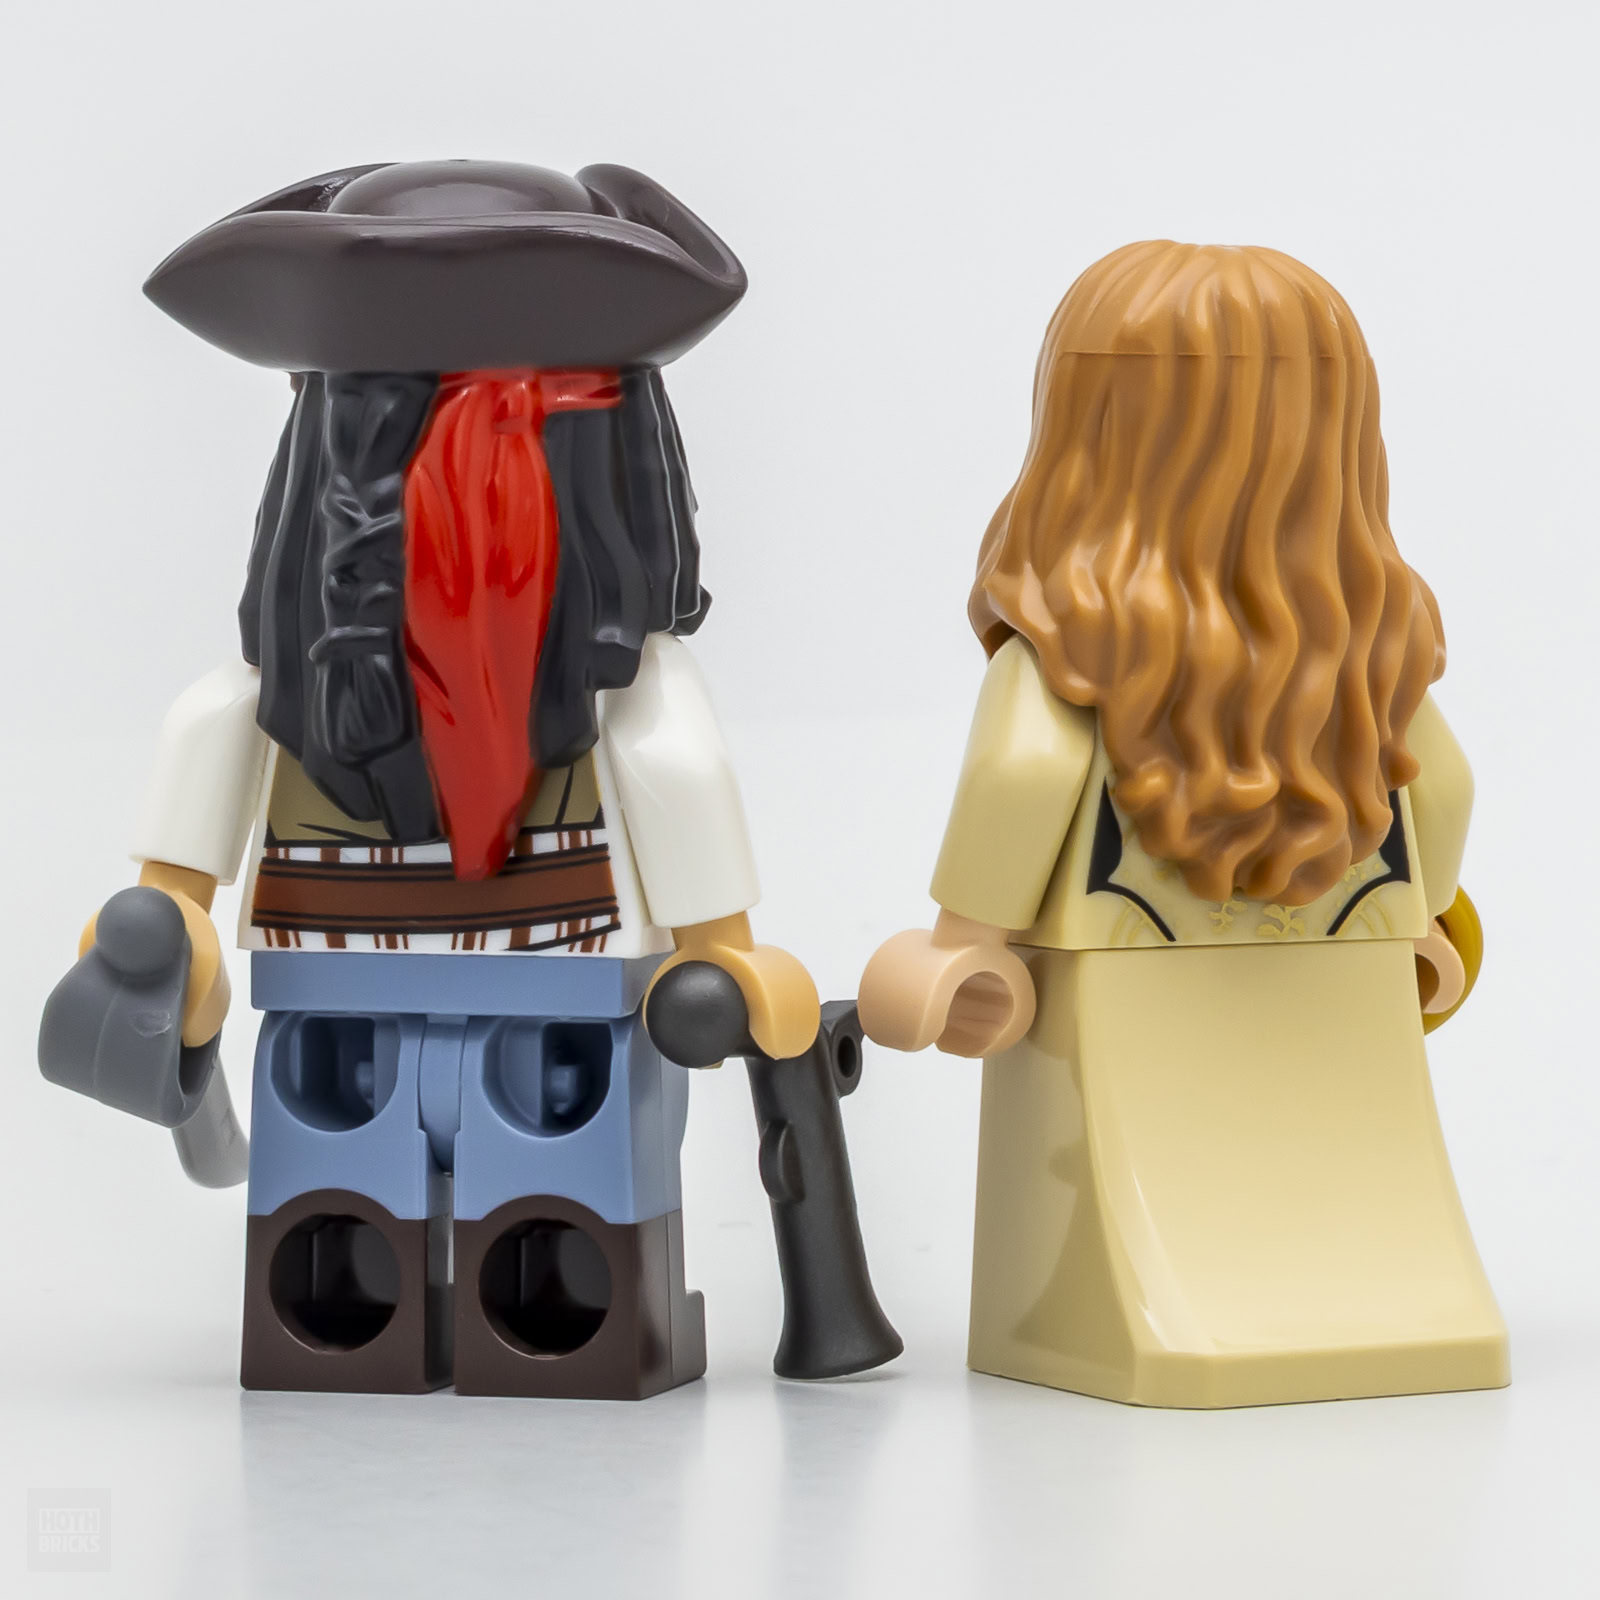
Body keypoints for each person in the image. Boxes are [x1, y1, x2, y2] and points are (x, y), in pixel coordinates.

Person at [858, 240, 1504, 1407]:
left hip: (1124, 973)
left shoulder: (1066, 652)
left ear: (1086, 431)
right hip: (1341, 952)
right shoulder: (1361, 656)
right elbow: (1442, 788)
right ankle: (1395, 1316)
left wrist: (962, 943)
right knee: (1358, 1183)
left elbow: (1020, 778)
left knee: (1146, 1216)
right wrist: (1422, 922)